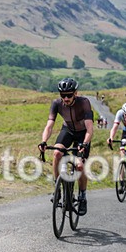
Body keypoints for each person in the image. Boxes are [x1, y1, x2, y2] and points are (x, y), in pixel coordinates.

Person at [39, 78, 93, 215]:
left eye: (69, 95)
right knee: (57, 153)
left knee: (80, 165)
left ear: (76, 93)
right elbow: (49, 125)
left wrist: (85, 144)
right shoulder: (56, 103)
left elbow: (89, 129)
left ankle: (82, 196)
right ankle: (57, 190)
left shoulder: (84, 103)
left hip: (82, 134)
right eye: (63, 95)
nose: (66, 98)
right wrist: (44, 141)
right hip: (67, 131)